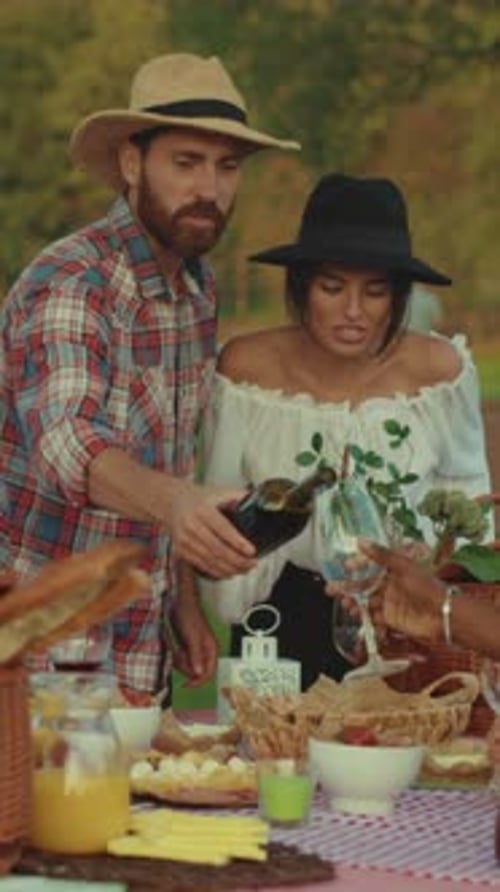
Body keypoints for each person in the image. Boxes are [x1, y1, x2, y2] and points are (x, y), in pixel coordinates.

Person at [0, 52, 299, 702]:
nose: (211, 190)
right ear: (133, 164)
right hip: (43, 652)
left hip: (140, 646)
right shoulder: (72, 281)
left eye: (227, 167)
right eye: (186, 163)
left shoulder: (196, 288)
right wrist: (176, 506)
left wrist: (183, 599)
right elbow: (66, 443)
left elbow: (170, 457)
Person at [199, 172, 491, 690]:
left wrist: (433, 569)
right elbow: (219, 524)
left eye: (375, 292)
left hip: (412, 625)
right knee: (271, 766)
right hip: (276, 627)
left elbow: (474, 517)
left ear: (399, 295)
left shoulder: (440, 373)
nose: (354, 312)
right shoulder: (246, 369)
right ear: (302, 284)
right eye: (332, 287)